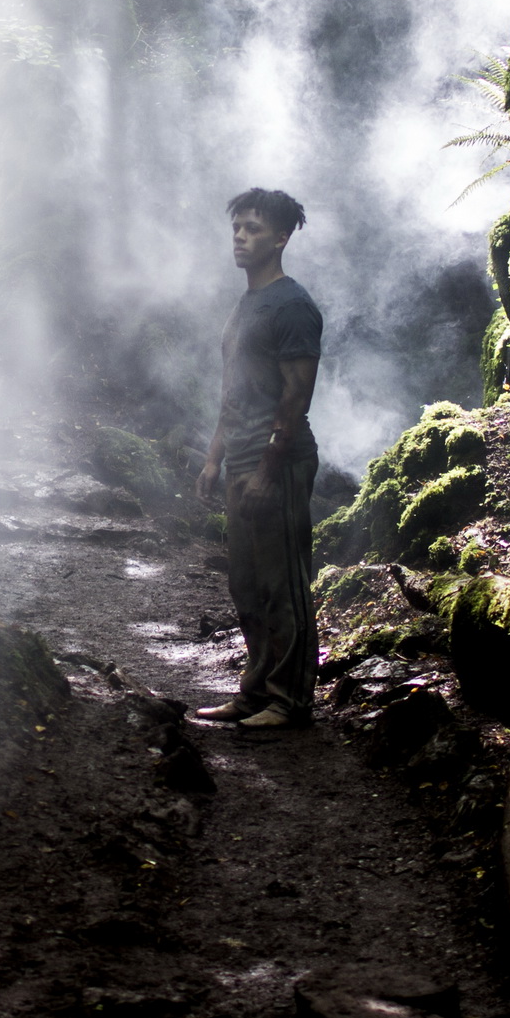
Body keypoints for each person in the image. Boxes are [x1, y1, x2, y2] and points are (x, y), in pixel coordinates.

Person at [193, 188, 323, 729]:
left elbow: (297, 394)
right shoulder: (247, 303)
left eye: (252, 228)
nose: (241, 237)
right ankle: (254, 691)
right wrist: (214, 458)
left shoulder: (292, 306)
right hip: (242, 458)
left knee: (281, 582)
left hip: (281, 464)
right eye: (237, 228)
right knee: (244, 583)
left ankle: (288, 700)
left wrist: (269, 470)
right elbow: (235, 390)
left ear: (280, 237)